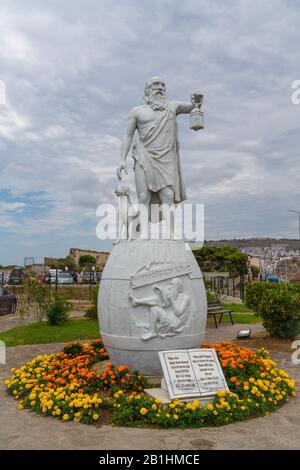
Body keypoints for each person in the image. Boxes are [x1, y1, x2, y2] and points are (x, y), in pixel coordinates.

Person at [117, 77, 202, 239]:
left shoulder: (172, 107)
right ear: (148, 90)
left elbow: (192, 107)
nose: (160, 88)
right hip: (143, 157)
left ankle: (170, 234)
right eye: (156, 85)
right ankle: (143, 234)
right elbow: (128, 135)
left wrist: (197, 101)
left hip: (166, 159)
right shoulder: (137, 111)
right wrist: (122, 159)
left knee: (168, 196)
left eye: (163, 85)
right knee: (143, 197)